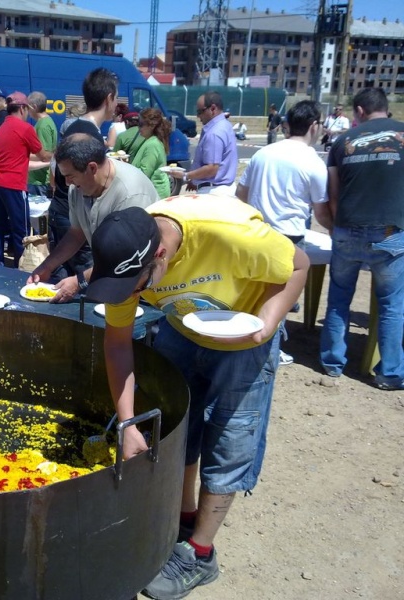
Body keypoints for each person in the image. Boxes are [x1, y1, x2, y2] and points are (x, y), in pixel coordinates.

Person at [84, 200, 308, 599]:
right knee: (178, 428)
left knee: (230, 438)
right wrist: (128, 421)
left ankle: (201, 554)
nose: (132, 296)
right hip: (181, 329)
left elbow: (299, 264)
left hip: (244, 338)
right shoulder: (128, 255)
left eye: (138, 288)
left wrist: (268, 321)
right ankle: (184, 519)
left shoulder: (230, 235)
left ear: (161, 254)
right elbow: (117, 344)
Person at [320, 88, 404, 390]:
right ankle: (390, 372)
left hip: (347, 228)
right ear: (386, 108)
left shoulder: (342, 141)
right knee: (392, 304)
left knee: (339, 298)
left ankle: (332, 362)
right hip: (391, 232)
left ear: (358, 111)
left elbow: (333, 192)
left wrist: (335, 227)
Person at [237, 99, 330, 366]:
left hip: (256, 231)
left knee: (254, 291)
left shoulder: (264, 153)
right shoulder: (313, 162)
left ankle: (249, 341)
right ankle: (270, 349)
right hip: (289, 236)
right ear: (313, 126)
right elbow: (321, 211)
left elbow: (241, 194)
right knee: (280, 299)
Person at [27, 133, 159, 302]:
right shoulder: (78, 187)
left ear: (92, 168)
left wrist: (79, 281)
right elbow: (76, 233)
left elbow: (130, 258)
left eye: (70, 176)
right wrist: (47, 266)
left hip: (141, 285)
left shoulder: (131, 194)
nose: (67, 183)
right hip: (111, 276)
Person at [48, 67, 117, 281]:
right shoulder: (90, 137)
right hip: (74, 217)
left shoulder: (72, 126)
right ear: (109, 98)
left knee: (63, 280)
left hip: (60, 211)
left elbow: (53, 167)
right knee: (80, 285)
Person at [0, 91, 53, 267]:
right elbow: (44, 156)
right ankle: (21, 266)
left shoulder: (2, 127)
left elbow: (18, 154)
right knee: (20, 230)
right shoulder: (26, 129)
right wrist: (56, 154)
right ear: (23, 108)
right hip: (14, 185)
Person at [168, 90, 237, 195]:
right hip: (220, 189)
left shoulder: (214, 133)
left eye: (200, 112)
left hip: (213, 192)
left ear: (213, 109)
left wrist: (185, 175)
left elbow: (212, 168)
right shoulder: (224, 125)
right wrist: (195, 181)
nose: (198, 116)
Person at [131, 107, 171, 199]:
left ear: (152, 126)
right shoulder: (153, 141)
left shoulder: (152, 144)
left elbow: (144, 173)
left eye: (141, 124)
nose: (138, 127)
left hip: (154, 194)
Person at [26, 91, 58, 198]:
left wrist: (23, 155)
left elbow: (45, 156)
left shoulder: (43, 126)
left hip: (39, 181)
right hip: (39, 180)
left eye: (28, 107)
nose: (26, 110)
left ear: (34, 107)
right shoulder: (46, 122)